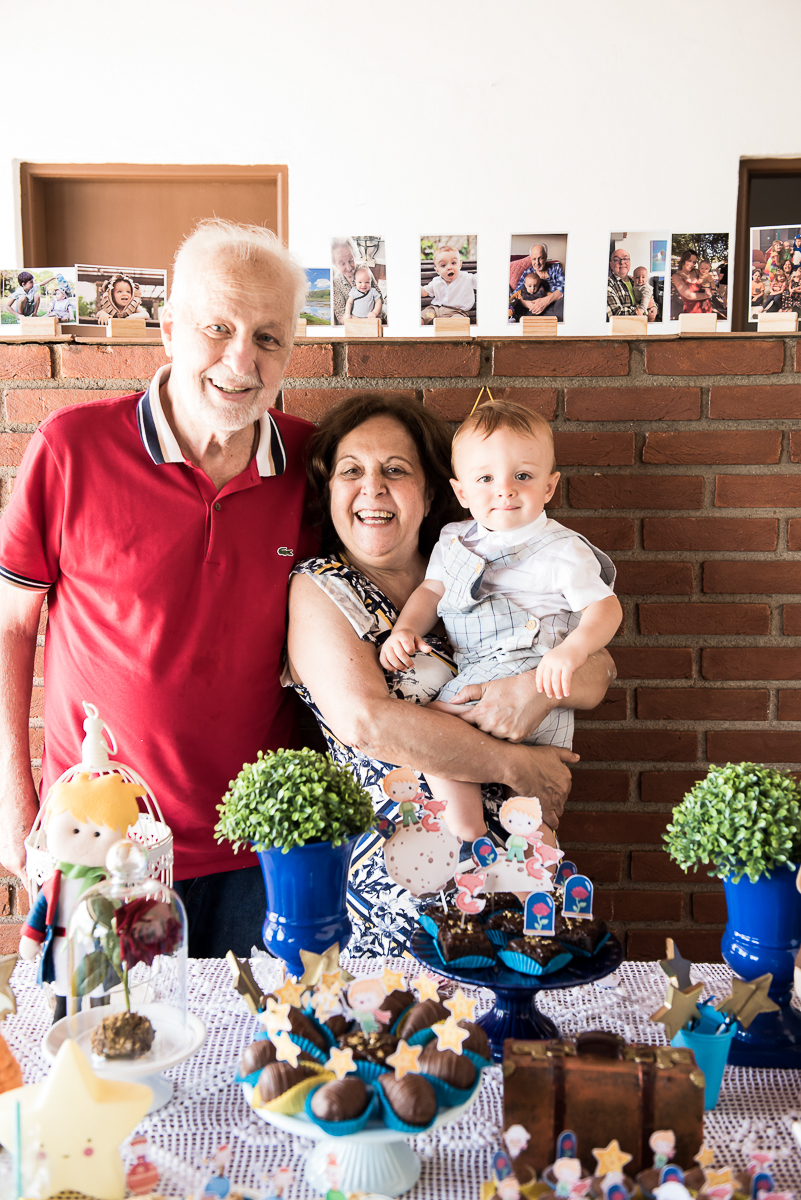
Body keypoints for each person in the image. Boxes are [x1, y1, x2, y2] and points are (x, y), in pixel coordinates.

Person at [0, 219, 314, 958]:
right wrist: (13, 801)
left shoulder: (315, 464)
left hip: (259, 849)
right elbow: (11, 627)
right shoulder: (70, 448)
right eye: (218, 327)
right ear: (169, 331)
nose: (242, 358)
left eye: (268, 337)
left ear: (290, 352)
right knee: (99, 1056)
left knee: (255, 1062)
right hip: (99, 836)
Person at [285, 392, 616, 956]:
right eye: (351, 471)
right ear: (330, 492)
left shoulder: (476, 563)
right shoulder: (321, 586)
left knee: (525, 1019)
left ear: (433, 491)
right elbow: (368, 723)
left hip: (520, 850)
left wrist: (528, 691)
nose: (373, 487)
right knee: (426, 1035)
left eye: (395, 469)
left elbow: (597, 670)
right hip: (412, 873)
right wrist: (518, 764)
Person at [379, 401, 621, 838]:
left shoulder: (560, 550)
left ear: (549, 487)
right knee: (524, 813)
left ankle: (466, 830)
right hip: (480, 668)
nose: (504, 490)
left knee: (434, 728)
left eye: (522, 477)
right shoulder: (454, 540)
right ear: (462, 493)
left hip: (530, 668)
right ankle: (494, 841)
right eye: (486, 479)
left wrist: (573, 650)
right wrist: (406, 628)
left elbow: (605, 607)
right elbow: (432, 591)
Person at [331, 238, 385, 325]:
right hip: (354, 326)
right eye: (342, 263)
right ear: (335, 265)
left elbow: (379, 298)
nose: (349, 267)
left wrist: (374, 314)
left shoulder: (364, 269)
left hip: (373, 319)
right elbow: (341, 315)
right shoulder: (335, 282)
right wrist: (362, 321)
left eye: (351, 260)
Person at [420, 246, 477, 324]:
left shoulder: (467, 278)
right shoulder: (436, 281)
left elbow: (481, 280)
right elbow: (423, 292)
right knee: (422, 317)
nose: (449, 267)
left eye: (453, 263)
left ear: (459, 265)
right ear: (437, 270)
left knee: (458, 322)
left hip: (457, 312)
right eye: (443, 265)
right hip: (435, 310)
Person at [509, 244, 564, 321]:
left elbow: (563, 289)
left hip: (552, 305)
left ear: (546, 257)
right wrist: (529, 304)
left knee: (562, 302)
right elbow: (516, 294)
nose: (537, 263)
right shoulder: (528, 273)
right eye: (534, 259)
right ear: (531, 259)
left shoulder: (556, 268)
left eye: (540, 258)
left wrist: (545, 301)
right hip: (531, 308)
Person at [607, 249, 657, 322]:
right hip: (624, 330)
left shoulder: (635, 280)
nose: (622, 262)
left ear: (629, 262)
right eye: (616, 260)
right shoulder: (608, 284)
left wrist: (654, 308)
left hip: (643, 327)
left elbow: (650, 298)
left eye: (625, 259)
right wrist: (642, 310)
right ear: (611, 265)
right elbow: (616, 315)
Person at [670, 250, 712, 320]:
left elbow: (708, 280)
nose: (692, 264)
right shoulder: (676, 276)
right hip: (691, 312)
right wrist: (707, 295)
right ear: (683, 260)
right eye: (689, 261)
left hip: (706, 308)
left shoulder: (696, 272)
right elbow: (689, 295)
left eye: (694, 262)